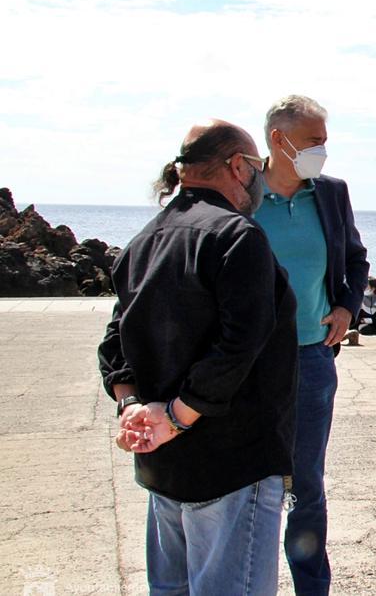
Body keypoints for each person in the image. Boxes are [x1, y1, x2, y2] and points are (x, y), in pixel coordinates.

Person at [98, 120, 298, 594]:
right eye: (258, 167)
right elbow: (239, 344)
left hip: (165, 469)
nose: (261, 180)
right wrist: (175, 417)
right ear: (236, 166)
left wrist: (133, 409)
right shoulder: (236, 236)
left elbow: (114, 341)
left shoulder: (145, 239)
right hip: (231, 466)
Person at [255, 95, 369, 596]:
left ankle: (311, 588)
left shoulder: (330, 193)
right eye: (314, 141)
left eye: (325, 141)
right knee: (248, 484)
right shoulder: (240, 193)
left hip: (312, 358)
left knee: (307, 487)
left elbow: (356, 259)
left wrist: (346, 307)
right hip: (249, 364)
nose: (323, 151)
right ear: (279, 141)